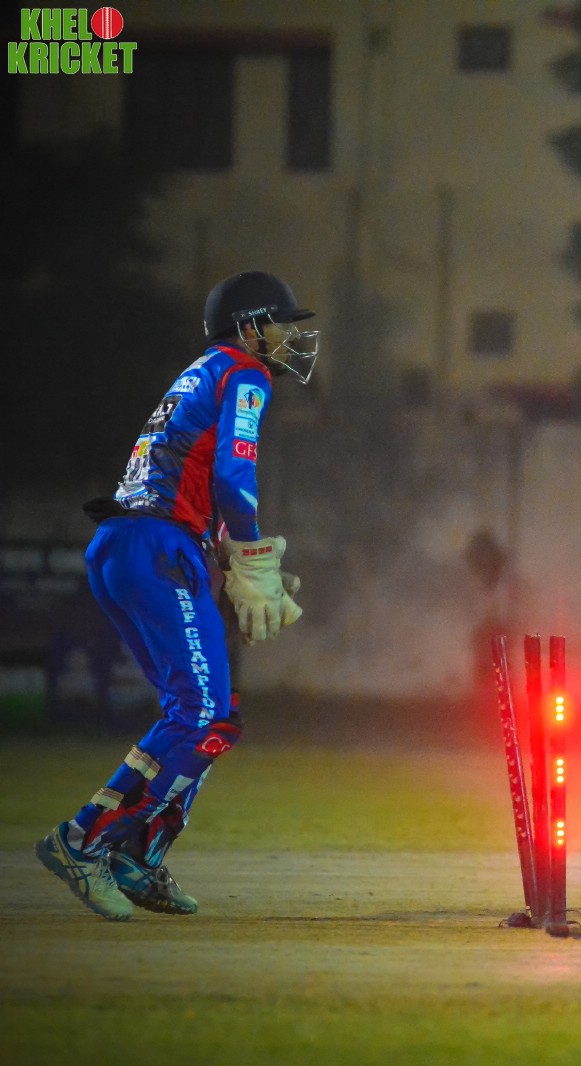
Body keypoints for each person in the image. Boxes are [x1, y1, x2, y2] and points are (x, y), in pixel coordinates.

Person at [35, 271, 318, 920]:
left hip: (126, 545)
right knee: (205, 716)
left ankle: (138, 856)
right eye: (279, 323)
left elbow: (190, 474)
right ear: (250, 326)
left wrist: (229, 553)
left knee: (201, 713)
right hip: (158, 550)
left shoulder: (201, 370)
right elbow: (233, 477)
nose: (288, 336)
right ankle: (83, 841)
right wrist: (251, 556)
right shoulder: (245, 371)